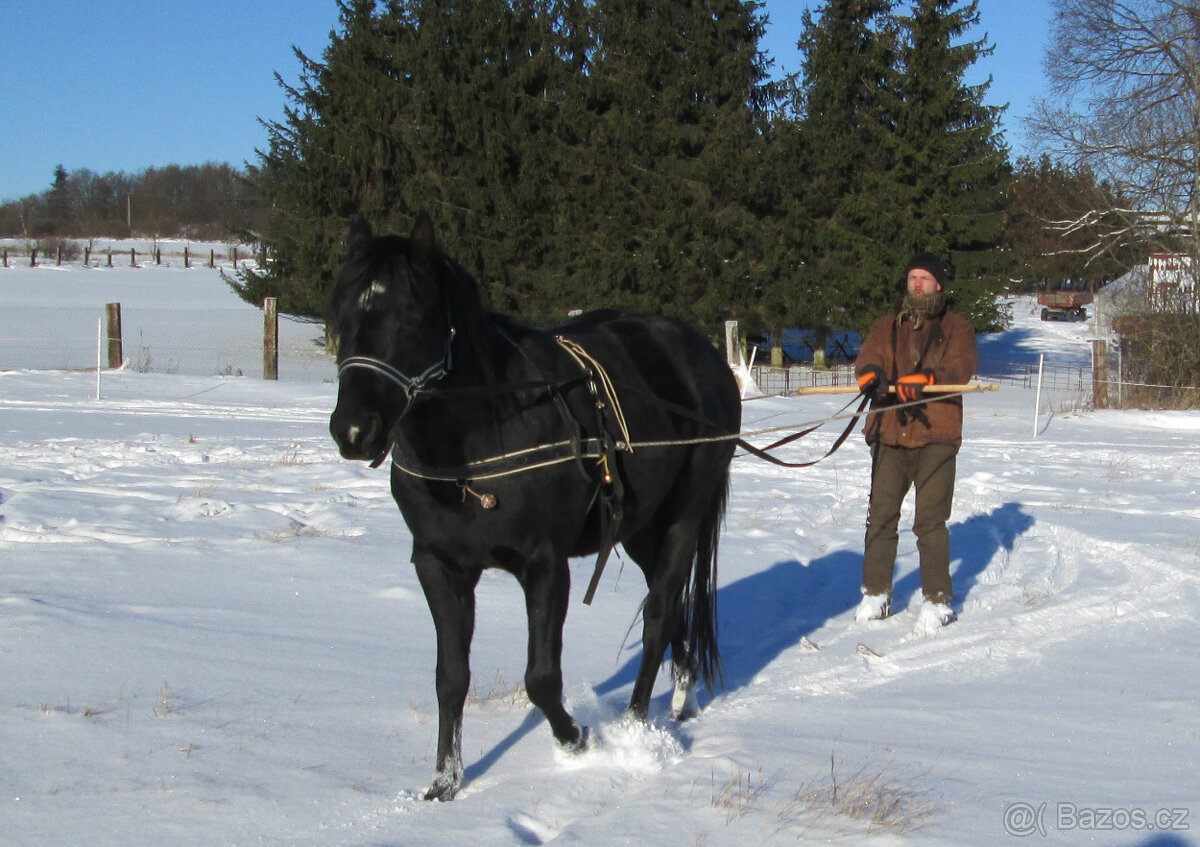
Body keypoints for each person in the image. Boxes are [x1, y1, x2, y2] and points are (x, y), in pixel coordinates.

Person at [853, 252, 978, 634]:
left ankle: (938, 600)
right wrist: (870, 374)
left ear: (938, 284)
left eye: (925, 278)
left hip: (935, 435)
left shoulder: (957, 328)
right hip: (890, 433)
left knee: (929, 522)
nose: (918, 284)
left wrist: (926, 377)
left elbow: (960, 366)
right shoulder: (885, 326)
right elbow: (868, 358)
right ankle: (876, 593)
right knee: (881, 516)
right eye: (912, 278)